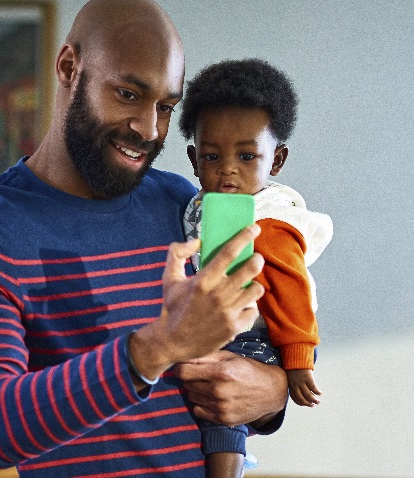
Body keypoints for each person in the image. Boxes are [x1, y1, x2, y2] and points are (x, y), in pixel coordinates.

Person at [0, 2, 288, 477]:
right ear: (68, 68)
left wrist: (271, 393)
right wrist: (154, 349)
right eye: (127, 94)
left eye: (165, 107)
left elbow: (245, 350)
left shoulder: (183, 206)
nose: (149, 128)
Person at [179, 58, 334, 477]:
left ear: (277, 159)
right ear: (194, 160)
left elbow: (291, 289)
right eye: (212, 156)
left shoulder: (270, 221)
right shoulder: (195, 207)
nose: (228, 168)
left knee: (221, 408)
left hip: (264, 331)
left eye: (247, 156)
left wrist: (298, 361)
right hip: (229, 321)